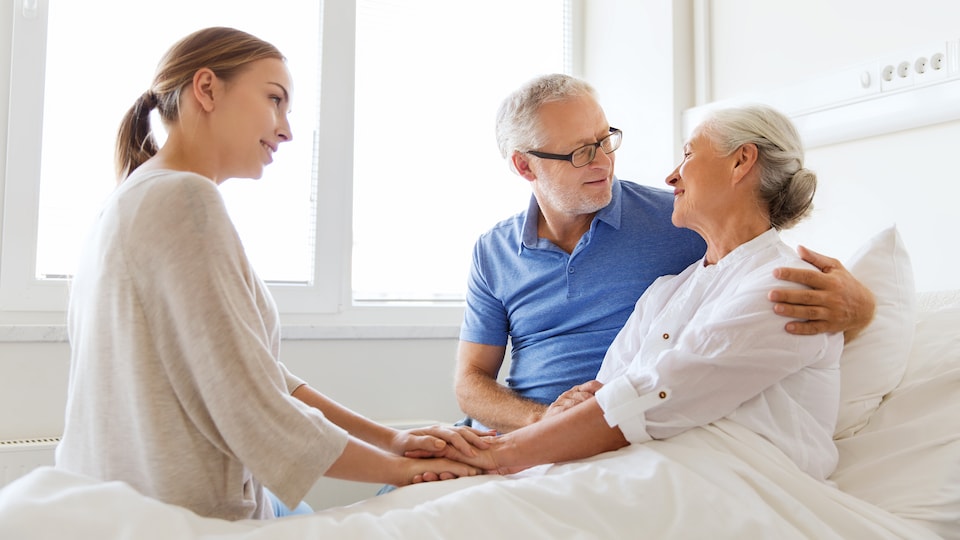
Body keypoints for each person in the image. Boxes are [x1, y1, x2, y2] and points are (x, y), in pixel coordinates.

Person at [55, 27, 482, 522]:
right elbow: (248, 402)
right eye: (275, 100)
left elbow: (255, 370)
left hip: (116, 502)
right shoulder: (183, 199)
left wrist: (392, 439)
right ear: (207, 88)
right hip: (182, 514)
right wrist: (400, 470)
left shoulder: (131, 197)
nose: (286, 130)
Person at [454, 74, 874, 434]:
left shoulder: (680, 219)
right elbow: (470, 382)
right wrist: (540, 422)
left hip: (606, 433)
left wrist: (862, 309)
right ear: (525, 166)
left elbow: (762, 265)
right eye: (581, 152)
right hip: (518, 431)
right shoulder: (493, 251)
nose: (604, 163)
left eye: (605, 141)